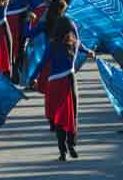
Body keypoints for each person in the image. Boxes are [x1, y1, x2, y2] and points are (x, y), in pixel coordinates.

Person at [30, 15, 95, 162]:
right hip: (69, 81)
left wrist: (33, 77)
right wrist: (89, 51)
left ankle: (62, 151)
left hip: (54, 83)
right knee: (73, 113)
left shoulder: (52, 45)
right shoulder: (75, 44)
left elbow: (42, 63)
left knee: (59, 117)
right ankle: (72, 144)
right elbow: (81, 43)